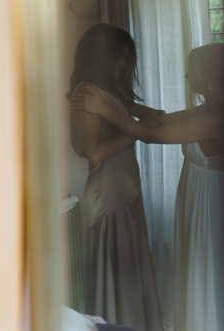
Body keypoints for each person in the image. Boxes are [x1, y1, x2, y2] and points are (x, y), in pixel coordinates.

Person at [72, 42, 224, 331]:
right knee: (197, 274)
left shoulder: (215, 117)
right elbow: (157, 121)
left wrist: (104, 108)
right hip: (196, 201)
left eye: (195, 69)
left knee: (207, 276)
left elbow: (151, 135)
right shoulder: (206, 109)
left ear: (211, 77)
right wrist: (125, 105)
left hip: (210, 207)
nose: (187, 75)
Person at [68, 24, 164, 331]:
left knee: (131, 280)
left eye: (126, 57)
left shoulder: (113, 93)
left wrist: (136, 126)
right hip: (108, 198)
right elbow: (94, 153)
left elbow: (153, 117)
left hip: (126, 195)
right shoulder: (86, 93)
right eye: (119, 56)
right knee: (117, 280)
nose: (123, 64)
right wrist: (135, 132)